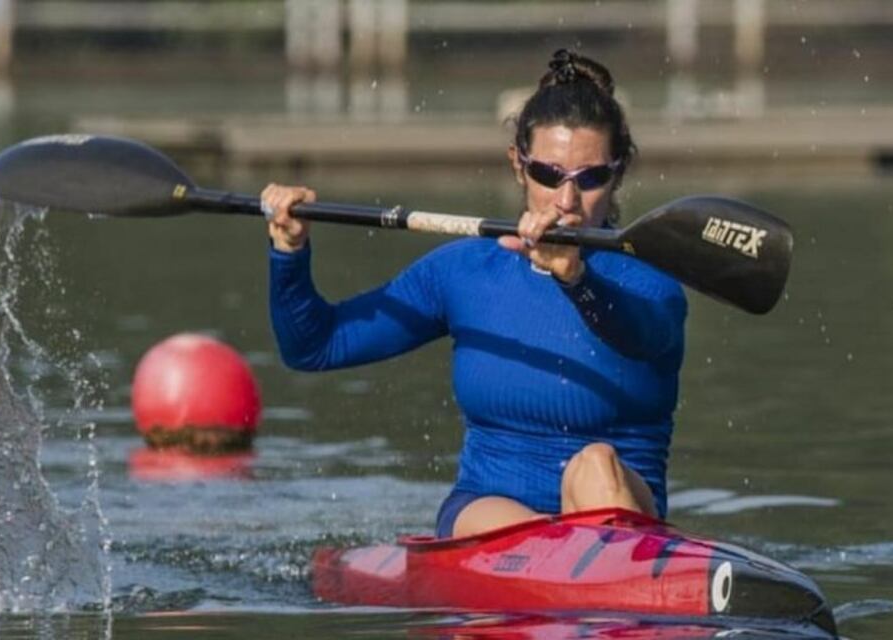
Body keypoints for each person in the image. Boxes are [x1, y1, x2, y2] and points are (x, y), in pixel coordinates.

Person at [261, 50, 687, 538]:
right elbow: (315, 347)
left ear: (619, 173)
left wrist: (576, 280)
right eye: (548, 175)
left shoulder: (650, 279)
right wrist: (289, 252)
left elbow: (637, 334)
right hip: (492, 513)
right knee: (507, 517)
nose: (567, 202)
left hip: (619, 505)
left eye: (590, 179)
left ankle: (598, 567)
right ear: (517, 165)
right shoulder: (464, 272)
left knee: (593, 464)